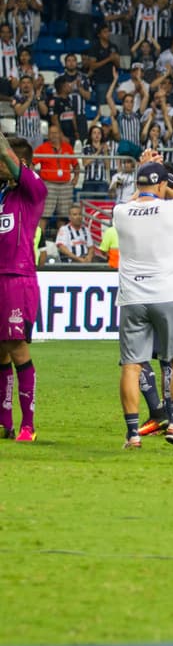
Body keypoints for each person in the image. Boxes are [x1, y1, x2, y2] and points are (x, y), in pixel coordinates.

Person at [113, 160, 173, 450]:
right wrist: (168, 191)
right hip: (167, 293)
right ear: (162, 185)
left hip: (132, 297)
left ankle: (132, 434)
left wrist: (144, 182)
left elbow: (134, 198)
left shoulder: (121, 212)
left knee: (131, 366)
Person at [0, 134, 45, 442]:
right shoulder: (2, 195)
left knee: (17, 349)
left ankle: (28, 424)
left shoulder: (33, 191)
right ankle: (4, 422)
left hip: (18, 279)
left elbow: (8, 156)